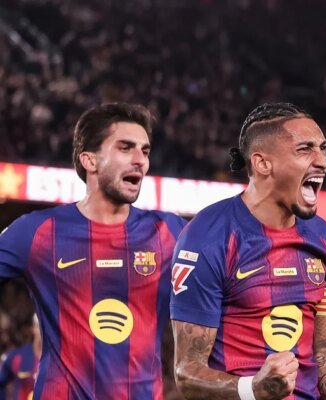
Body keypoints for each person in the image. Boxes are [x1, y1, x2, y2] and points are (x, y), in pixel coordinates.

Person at [170, 103, 326, 399]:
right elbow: (187, 372)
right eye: (305, 149)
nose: (323, 161)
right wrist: (253, 389)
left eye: (323, 148)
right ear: (262, 163)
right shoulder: (208, 237)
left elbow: (322, 353)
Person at [0, 103, 187, 398]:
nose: (140, 160)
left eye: (145, 151)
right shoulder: (36, 232)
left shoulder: (170, 233)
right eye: (125, 148)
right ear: (89, 160)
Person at [0, 314, 41, 400]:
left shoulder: (59, 360)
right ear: (33, 328)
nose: (43, 331)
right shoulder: (17, 357)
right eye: (40, 326)